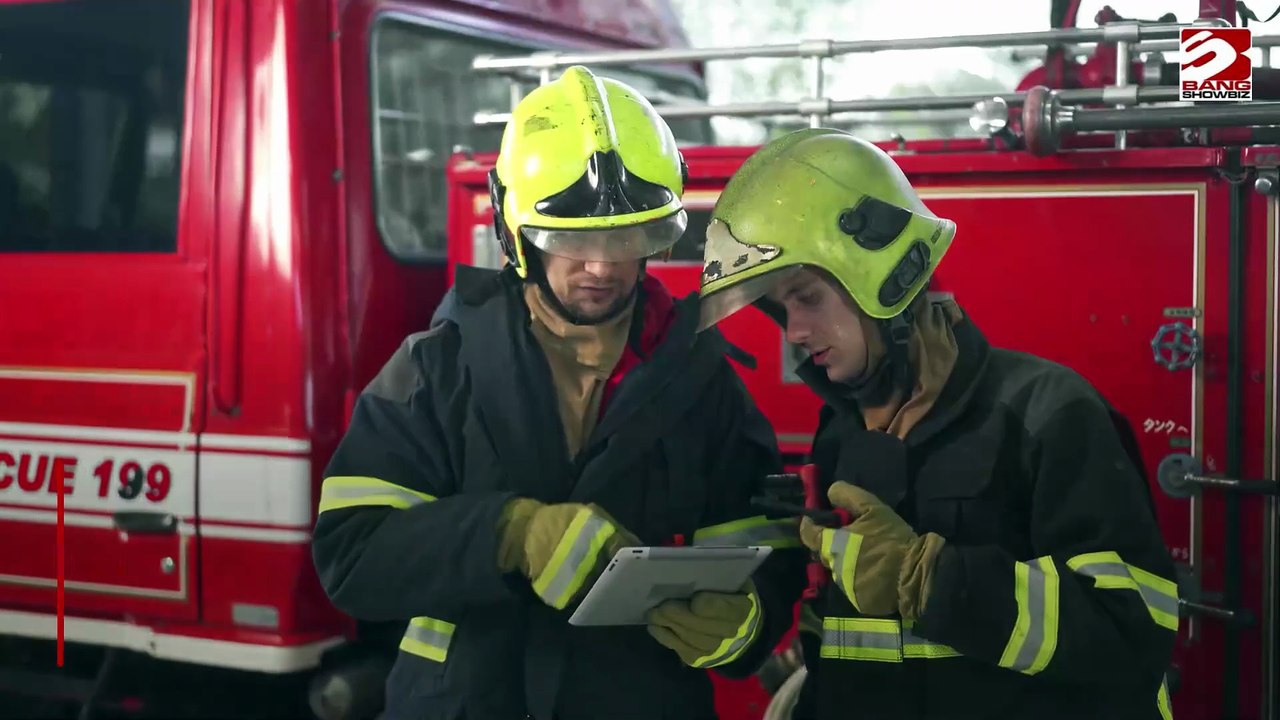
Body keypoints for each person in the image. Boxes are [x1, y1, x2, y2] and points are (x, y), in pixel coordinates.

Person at [310, 66, 806, 720]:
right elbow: (352, 554)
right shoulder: (436, 370)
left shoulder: (700, 381)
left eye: (627, 235)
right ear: (514, 229)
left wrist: (745, 625)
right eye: (572, 235)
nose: (602, 265)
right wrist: (511, 532)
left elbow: (762, 550)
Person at [694, 127, 1180, 720]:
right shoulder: (843, 433)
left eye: (808, 298)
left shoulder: (1047, 415)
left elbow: (1132, 636)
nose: (793, 332)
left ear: (887, 273)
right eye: (780, 307)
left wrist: (930, 580)